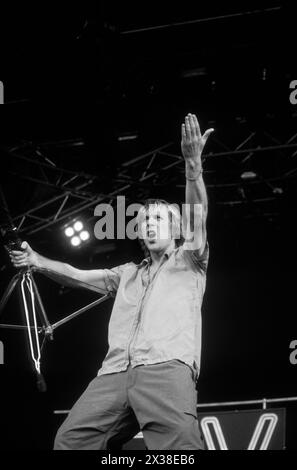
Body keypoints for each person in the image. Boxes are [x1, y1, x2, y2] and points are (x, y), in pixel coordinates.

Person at [9, 114, 214, 450]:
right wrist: (37, 261)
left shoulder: (190, 260)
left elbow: (196, 215)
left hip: (166, 370)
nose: (149, 225)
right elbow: (74, 275)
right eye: (145, 221)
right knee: (70, 441)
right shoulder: (127, 273)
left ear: (176, 230)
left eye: (158, 219)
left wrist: (193, 166)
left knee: (180, 453)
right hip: (115, 373)